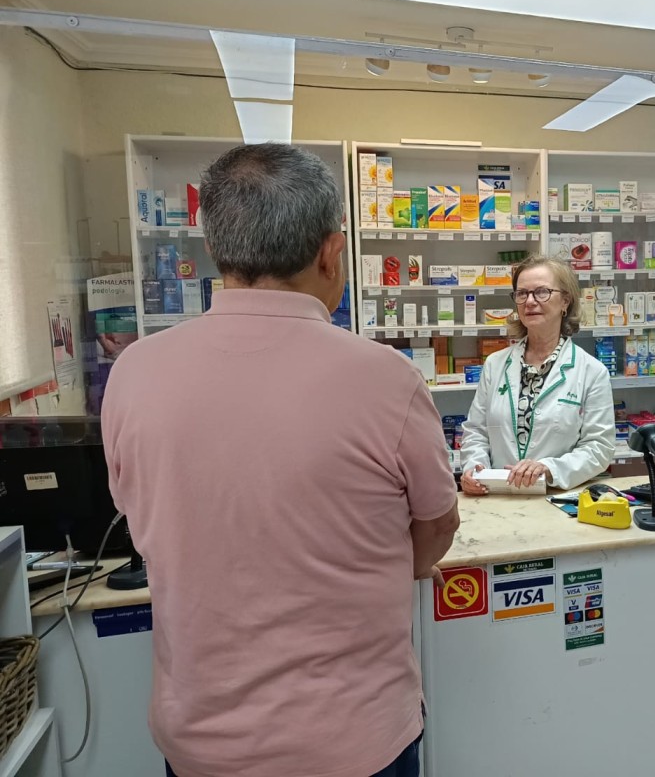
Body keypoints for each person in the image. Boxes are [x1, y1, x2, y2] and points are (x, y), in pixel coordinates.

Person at [101, 143, 460, 777]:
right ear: (331, 250)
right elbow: (434, 530)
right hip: (356, 740)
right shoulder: (385, 379)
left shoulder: (134, 373)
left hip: (201, 743)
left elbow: (142, 518)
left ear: (216, 249)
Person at [459, 255, 614, 494]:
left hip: (558, 498)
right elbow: (476, 431)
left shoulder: (591, 371)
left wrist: (549, 468)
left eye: (541, 292)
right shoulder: (495, 364)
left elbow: (599, 447)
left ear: (565, 301)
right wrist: (474, 468)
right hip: (498, 495)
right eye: (522, 294)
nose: (530, 301)